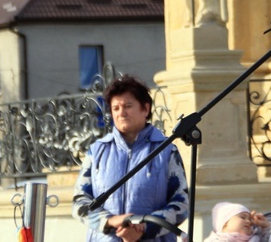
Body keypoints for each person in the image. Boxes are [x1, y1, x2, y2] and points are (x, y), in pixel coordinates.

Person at [73, 76, 189, 241]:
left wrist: (144, 228)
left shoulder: (166, 150)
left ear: (145, 109)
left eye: (128, 106)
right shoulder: (97, 151)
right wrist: (109, 221)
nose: (121, 113)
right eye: (116, 108)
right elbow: (80, 201)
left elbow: (181, 203)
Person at [204, 202, 271, 242]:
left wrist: (266, 226)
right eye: (242, 217)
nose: (248, 221)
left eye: (249, 219)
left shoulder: (256, 238)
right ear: (225, 223)